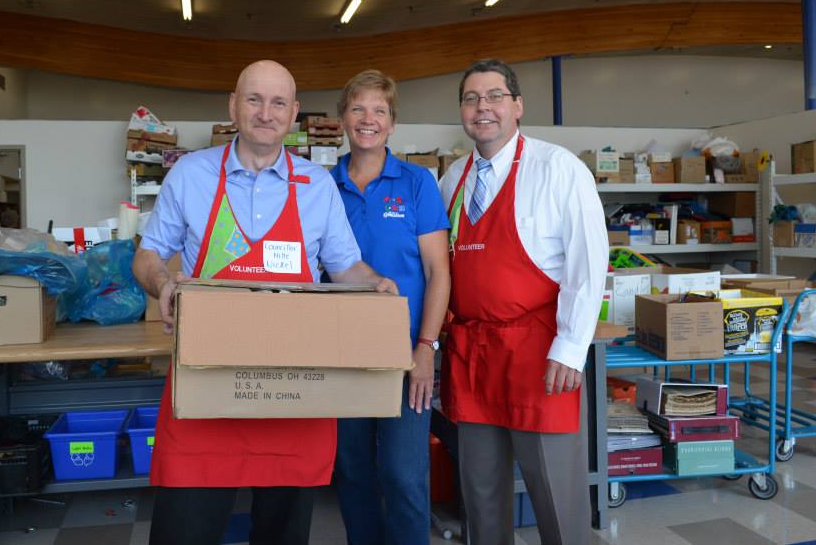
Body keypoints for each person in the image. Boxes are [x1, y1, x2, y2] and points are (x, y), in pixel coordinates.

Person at [133, 60, 398, 545]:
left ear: (294, 113)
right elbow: (148, 254)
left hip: (292, 391)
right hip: (205, 383)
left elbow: (345, 267)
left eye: (278, 103)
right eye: (254, 99)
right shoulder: (191, 174)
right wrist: (162, 282)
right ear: (233, 105)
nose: (265, 113)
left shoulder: (317, 186)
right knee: (183, 531)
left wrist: (375, 284)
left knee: (284, 535)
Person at [438, 59, 607, 545]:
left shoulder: (558, 169)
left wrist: (571, 348)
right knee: (481, 495)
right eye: (471, 98)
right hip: (473, 357)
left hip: (540, 357)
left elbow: (588, 262)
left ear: (517, 106)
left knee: (556, 497)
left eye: (494, 96)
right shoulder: (452, 179)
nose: (482, 107)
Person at [329, 70, 450, 545]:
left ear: (392, 123)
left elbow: (438, 273)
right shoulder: (323, 186)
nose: (368, 119)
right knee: (353, 471)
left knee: (403, 474)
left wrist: (426, 347)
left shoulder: (417, 183)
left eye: (379, 110)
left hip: (406, 354)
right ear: (343, 118)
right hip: (341, 355)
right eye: (357, 108)